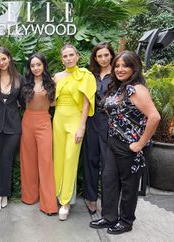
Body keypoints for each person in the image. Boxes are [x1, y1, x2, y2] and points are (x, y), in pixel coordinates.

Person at [89, 51, 160, 234]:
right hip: (113, 141)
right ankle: (109, 216)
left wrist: (139, 144)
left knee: (128, 185)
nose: (120, 69)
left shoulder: (136, 89)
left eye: (125, 66)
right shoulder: (119, 86)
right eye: (117, 66)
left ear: (134, 68)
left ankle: (126, 221)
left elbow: (154, 117)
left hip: (130, 145)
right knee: (108, 180)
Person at [53, 43, 96, 220]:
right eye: (65, 56)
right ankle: (56, 195)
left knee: (70, 159)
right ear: (61, 59)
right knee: (59, 159)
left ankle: (65, 202)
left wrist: (82, 126)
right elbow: (51, 101)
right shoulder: (56, 76)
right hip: (58, 120)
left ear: (77, 56)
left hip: (75, 120)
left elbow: (87, 103)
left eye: (71, 55)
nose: (69, 58)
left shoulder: (86, 75)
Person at [20, 53, 58, 216]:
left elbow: (54, 103)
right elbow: (20, 103)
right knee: (27, 160)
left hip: (44, 121)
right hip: (27, 121)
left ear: (44, 65)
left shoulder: (52, 83)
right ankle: (29, 197)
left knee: (45, 162)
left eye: (38, 64)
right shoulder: (25, 84)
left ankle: (49, 204)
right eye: (32, 65)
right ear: (29, 68)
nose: (36, 68)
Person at [82, 42, 115, 214]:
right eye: (99, 56)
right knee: (91, 160)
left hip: (110, 123)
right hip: (92, 121)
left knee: (108, 163)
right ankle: (91, 197)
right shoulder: (90, 75)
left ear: (111, 55)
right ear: (95, 57)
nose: (103, 59)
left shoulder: (118, 74)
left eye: (106, 55)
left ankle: (109, 201)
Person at [0, 47, 23, 213]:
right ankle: (3, 194)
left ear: (9, 58)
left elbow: (25, 101)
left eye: (4, 59)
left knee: (7, 159)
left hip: (13, 126)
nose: (1, 62)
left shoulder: (19, 79)